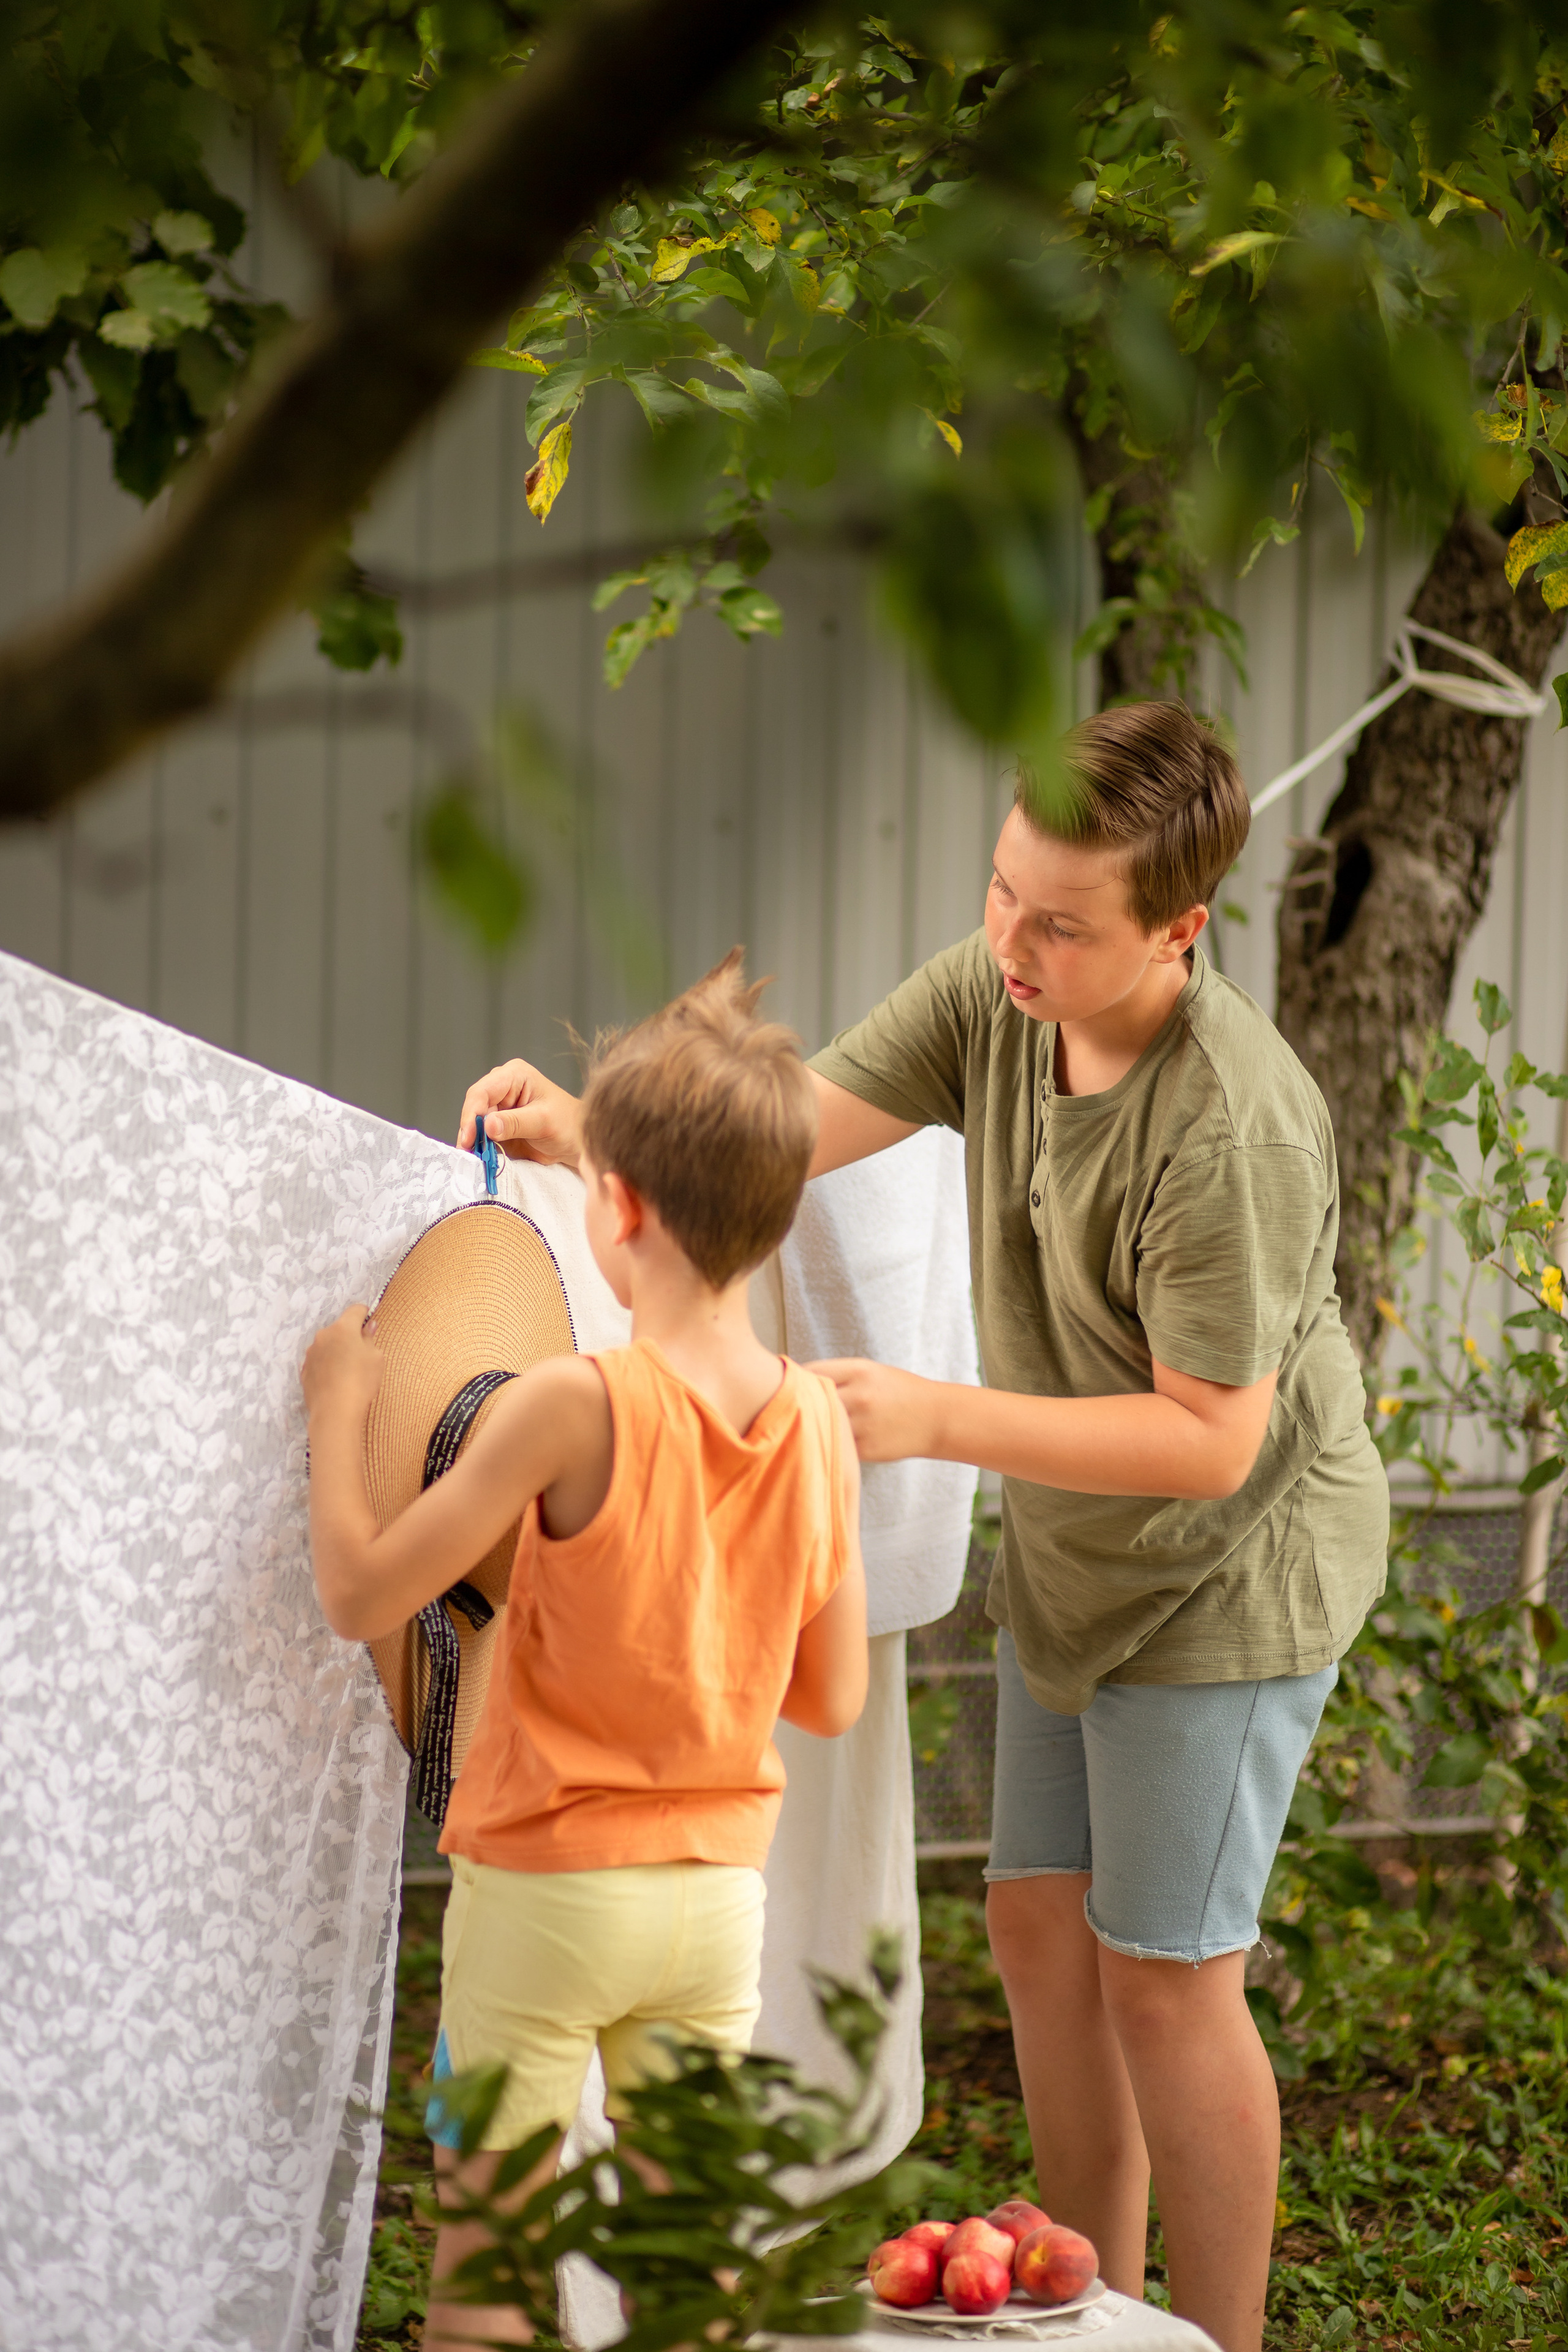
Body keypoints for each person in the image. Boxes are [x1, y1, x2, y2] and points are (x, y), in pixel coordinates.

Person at [456, 702, 1389, 2352]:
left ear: (1179, 931)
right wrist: (592, 1131)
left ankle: (1221, 2344)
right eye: (1000, 890)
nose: (1011, 940)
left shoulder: (1227, 1125)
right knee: (1035, 1924)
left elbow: (1210, 1439)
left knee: (1169, 1975)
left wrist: (932, 1415)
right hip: (1077, 1552)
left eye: (1063, 921)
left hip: (1228, 1571)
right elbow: (776, 1143)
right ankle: (1087, 2306)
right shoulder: (997, 994)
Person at [305, 953, 869, 2351]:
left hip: (543, 1903)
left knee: (485, 2285)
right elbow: (832, 1696)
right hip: (710, 1915)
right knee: (683, 2286)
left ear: (613, 1210)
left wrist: (340, 1406)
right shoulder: (816, 1426)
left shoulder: (569, 1405)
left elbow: (364, 1593)